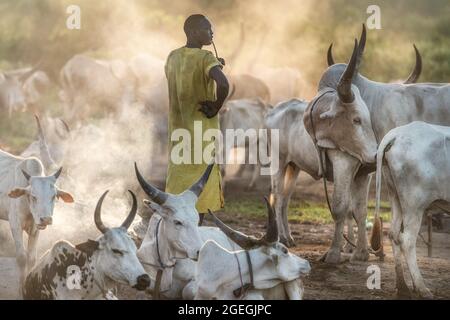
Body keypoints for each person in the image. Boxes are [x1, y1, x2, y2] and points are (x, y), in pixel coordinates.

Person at [164, 14, 229, 224]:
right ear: (193, 32)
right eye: (207, 29)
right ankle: (195, 232)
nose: (212, 33)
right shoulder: (206, 58)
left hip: (178, 134)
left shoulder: (172, 57)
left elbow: (186, 74)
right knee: (200, 187)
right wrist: (216, 106)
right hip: (201, 135)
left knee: (179, 184)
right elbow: (224, 85)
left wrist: (212, 65)